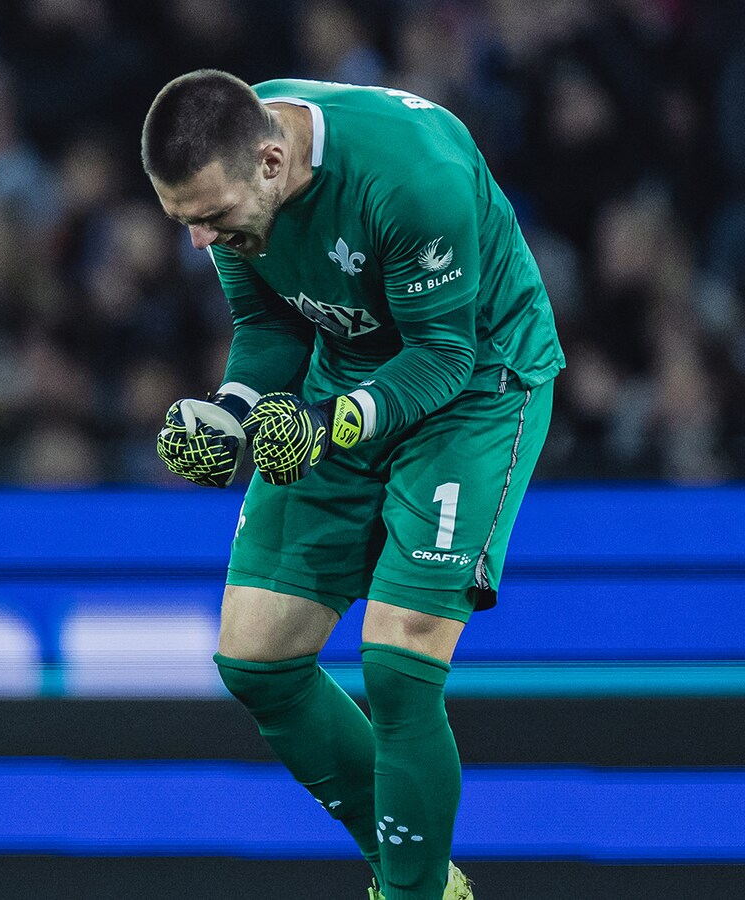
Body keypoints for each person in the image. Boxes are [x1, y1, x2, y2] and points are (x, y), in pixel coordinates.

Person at [141, 70, 564, 900]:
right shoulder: (234, 184)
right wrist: (230, 414)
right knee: (257, 659)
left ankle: (409, 894)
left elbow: (444, 356)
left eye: (212, 219)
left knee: (401, 664)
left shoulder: (413, 177)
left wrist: (327, 424)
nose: (201, 243)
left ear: (272, 162)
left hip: (477, 385)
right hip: (353, 373)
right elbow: (269, 325)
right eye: (183, 224)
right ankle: (417, 873)